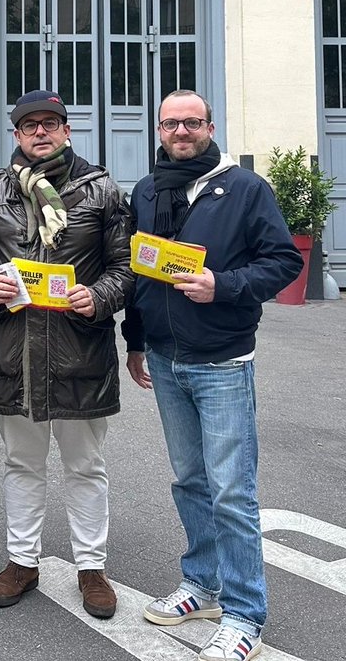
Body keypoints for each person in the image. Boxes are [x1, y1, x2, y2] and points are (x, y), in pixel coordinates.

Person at [124, 90, 303, 661]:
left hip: (222, 360)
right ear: (158, 128)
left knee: (232, 492)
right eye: (171, 123)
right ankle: (202, 585)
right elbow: (139, 270)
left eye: (191, 123)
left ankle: (246, 615)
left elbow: (283, 261)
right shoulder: (149, 189)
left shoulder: (245, 188)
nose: (180, 132)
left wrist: (221, 286)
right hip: (165, 358)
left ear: (210, 125)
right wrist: (135, 342)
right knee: (190, 481)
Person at [0, 89, 132, 620]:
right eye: (31, 126)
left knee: (85, 465)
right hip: (13, 351)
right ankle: (22, 561)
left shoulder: (101, 191)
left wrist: (98, 297)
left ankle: (91, 567)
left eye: (51, 123)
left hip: (79, 352)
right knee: (21, 463)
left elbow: (125, 268)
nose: (41, 133)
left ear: (67, 131)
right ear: (17, 135)